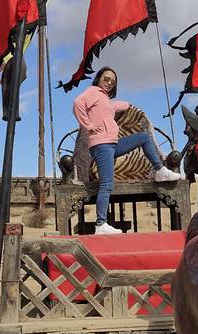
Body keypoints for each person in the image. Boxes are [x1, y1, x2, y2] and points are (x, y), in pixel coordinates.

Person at [73, 66, 180, 235]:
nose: (109, 82)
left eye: (113, 81)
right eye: (106, 78)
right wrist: (88, 125)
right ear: (98, 78)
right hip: (102, 145)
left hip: (112, 144)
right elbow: (78, 103)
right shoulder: (93, 91)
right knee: (107, 184)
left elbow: (112, 107)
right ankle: (101, 224)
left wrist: (126, 105)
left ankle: (159, 170)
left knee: (143, 137)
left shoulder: (104, 99)